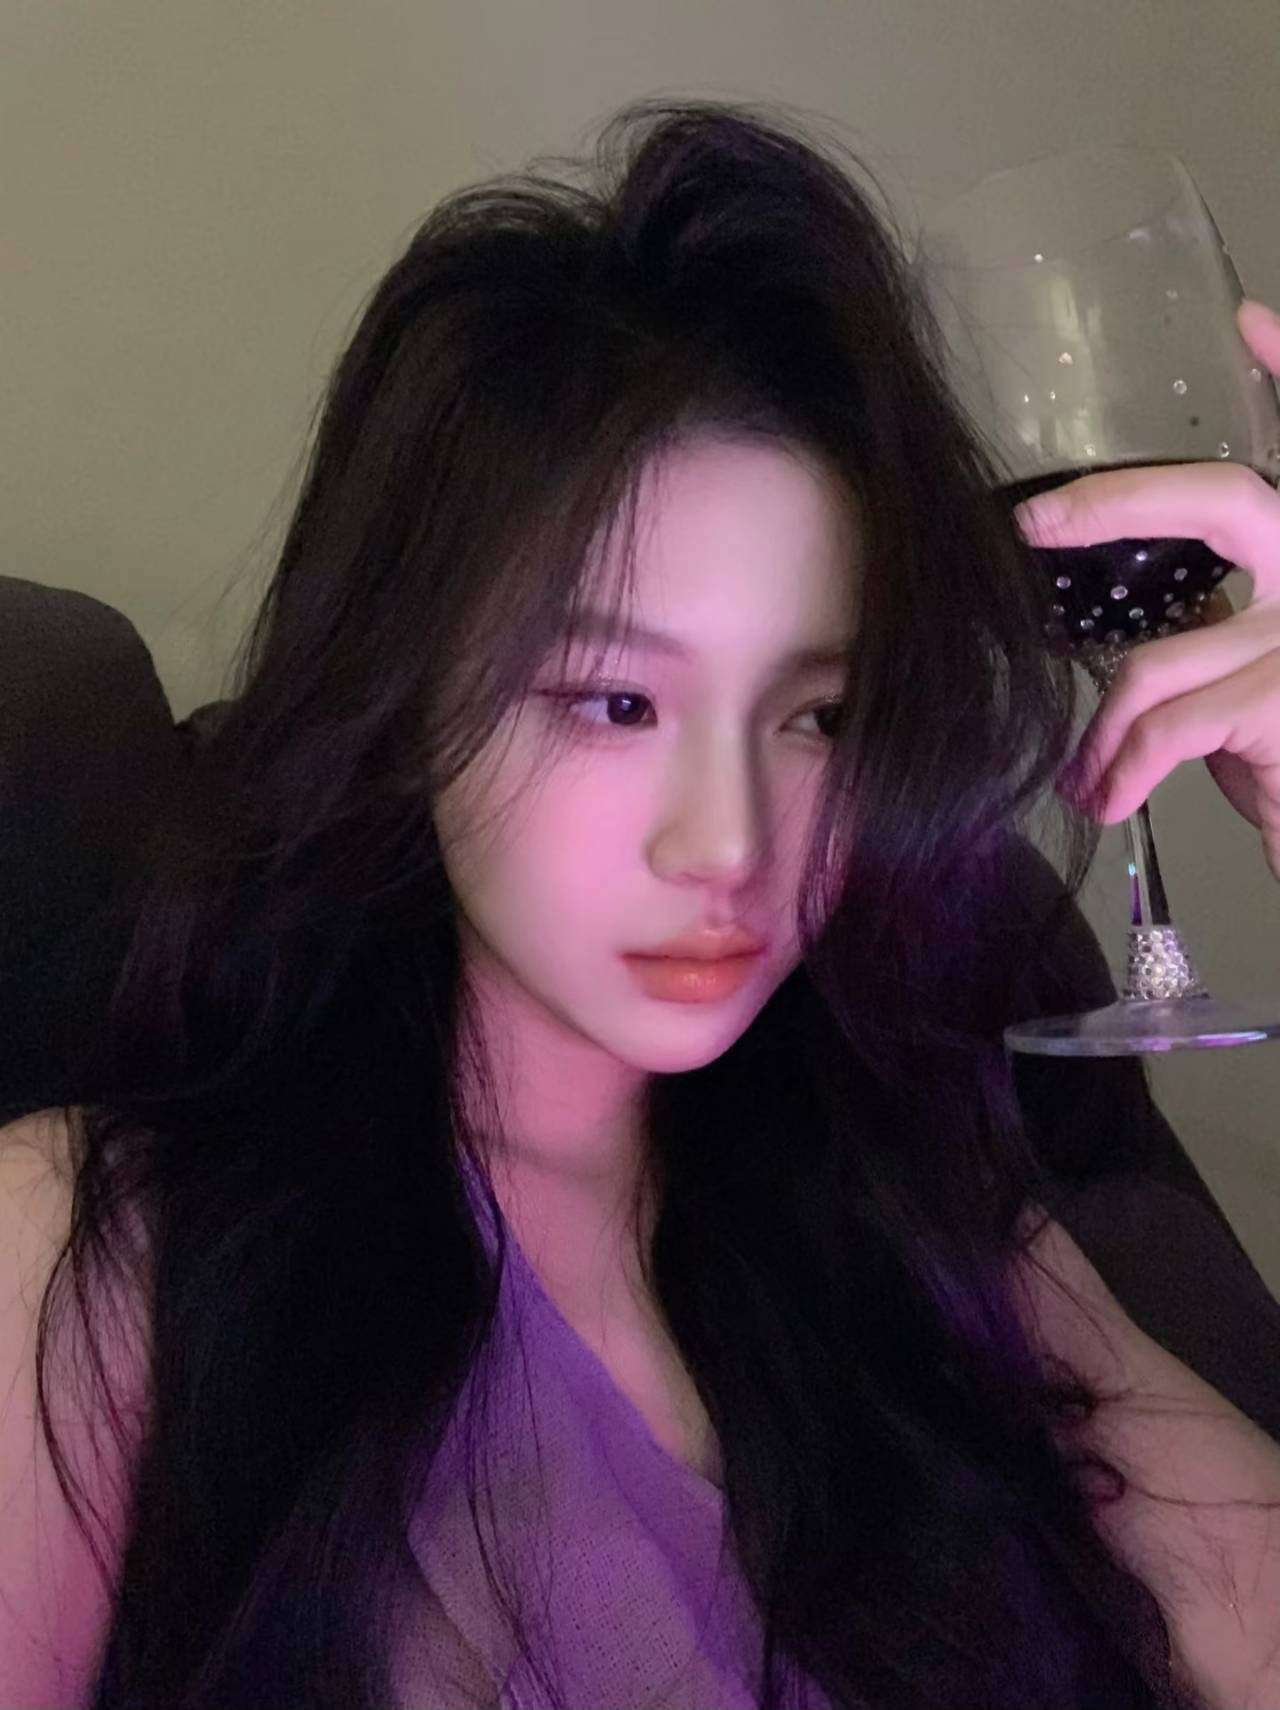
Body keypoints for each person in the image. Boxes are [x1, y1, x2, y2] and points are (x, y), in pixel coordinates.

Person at [4, 94, 1280, 1710]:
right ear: (403, 698)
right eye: (615, 702)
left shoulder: (934, 1236)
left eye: (818, 712)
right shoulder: (86, 1263)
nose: (729, 842)